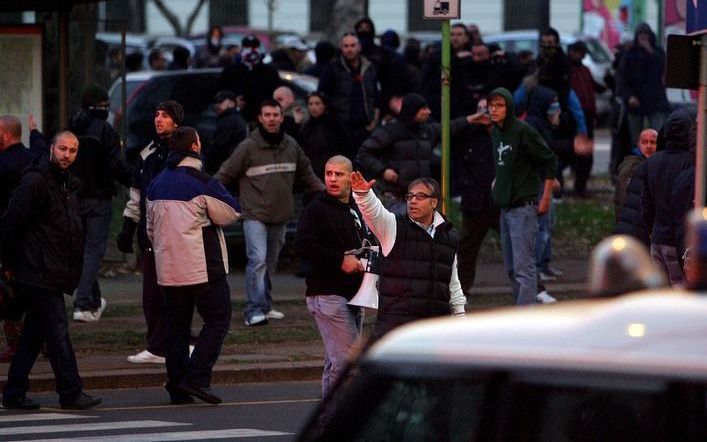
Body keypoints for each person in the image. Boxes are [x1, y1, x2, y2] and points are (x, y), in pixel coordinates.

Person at [1, 131, 101, 410]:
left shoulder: (68, 184)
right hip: (38, 270)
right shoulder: (35, 180)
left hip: (53, 270)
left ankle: (14, 392)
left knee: (34, 333)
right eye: (62, 149)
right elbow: (11, 222)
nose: (67, 155)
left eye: (72, 150)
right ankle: (70, 391)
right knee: (57, 331)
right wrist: (8, 264)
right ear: (51, 149)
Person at [146, 127, 240, 405]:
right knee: (218, 319)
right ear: (196, 147)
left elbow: (150, 229)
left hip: (168, 269)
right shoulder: (202, 182)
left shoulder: (156, 182)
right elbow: (231, 212)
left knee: (177, 326)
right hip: (202, 267)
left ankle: (176, 384)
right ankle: (197, 377)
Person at [216, 99, 324, 326]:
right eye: (268, 115)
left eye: (276, 114)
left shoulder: (291, 145)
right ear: (260, 118)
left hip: (280, 215)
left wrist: (328, 194)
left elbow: (307, 173)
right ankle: (253, 311)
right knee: (257, 260)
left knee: (268, 262)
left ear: (281, 117)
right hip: (254, 214)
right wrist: (209, 197)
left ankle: (265, 304)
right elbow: (224, 174)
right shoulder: (247, 147)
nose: (272, 119)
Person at [350, 174, 466, 340]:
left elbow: (452, 281)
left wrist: (460, 316)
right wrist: (363, 195)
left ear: (434, 202)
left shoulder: (449, 236)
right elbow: (375, 213)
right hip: (397, 329)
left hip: (436, 327)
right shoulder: (393, 226)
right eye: (410, 196)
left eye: (420, 196)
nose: (413, 201)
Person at [471, 88, 558, 305]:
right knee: (511, 267)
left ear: (509, 107)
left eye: (499, 105)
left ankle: (526, 317)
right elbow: (505, 163)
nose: (494, 109)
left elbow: (548, 159)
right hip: (505, 206)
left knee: (523, 267)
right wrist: (497, 181)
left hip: (523, 207)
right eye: (491, 105)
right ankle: (521, 307)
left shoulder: (522, 131)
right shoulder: (496, 132)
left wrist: (546, 195)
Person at [295, 155, 369, 397]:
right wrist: (340, 259)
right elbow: (303, 246)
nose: (333, 179)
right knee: (348, 363)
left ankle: (327, 421)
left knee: (336, 362)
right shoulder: (316, 209)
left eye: (339, 174)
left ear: (351, 177)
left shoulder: (355, 207)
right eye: (329, 174)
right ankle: (342, 419)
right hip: (328, 294)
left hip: (355, 294)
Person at [117, 100, 184, 364]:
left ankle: (171, 344)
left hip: (175, 235)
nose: (158, 119)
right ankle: (159, 343)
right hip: (150, 235)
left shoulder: (181, 153)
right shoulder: (148, 153)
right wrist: (128, 226)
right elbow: (137, 193)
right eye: (156, 114)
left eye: (165, 115)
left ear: (176, 122)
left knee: (174, 293)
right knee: (152, 294)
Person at [69, 84, 132, 323]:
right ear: (100, 106)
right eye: (106, 105)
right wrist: (136, 179)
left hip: (75, 198)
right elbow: (116, 166)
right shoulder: (104, 131)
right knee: (93, 251)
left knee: (83, 251)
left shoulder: (73, 127)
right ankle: (84, 303)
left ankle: (93, 300)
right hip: (98, 198)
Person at [357, 93, 474, 214]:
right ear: (413, 111)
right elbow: (364, 152)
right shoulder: (390, 131)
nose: (428, 112)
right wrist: (383, 170)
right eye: (423, 109)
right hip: (395, 197)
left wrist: (470, 119)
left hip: (419, 196)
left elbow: (449, 127)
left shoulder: (427, 131)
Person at [639, 108, 694, 287]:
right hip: (678, 243)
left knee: (661, 296)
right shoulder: (691, 163)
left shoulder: (652, 162)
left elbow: (646, 204)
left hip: (657, 239)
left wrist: (651, 231)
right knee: (681, 295)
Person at [0, 116, 38, 363]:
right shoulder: (33, 159)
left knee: (9, 294)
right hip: (35, 239)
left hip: (10, 238)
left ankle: (15, 343)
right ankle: (39, 340)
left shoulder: (3, 164)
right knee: (35, 293)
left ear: (5, 135)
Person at [452, 99, 499, 294]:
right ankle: (460, 290)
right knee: (466, 250)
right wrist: (470, 120)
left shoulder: (505, 134)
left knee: (518, 246)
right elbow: (447, 132)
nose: (486, 113)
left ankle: (534, 287)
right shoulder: (468, 134)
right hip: (475, 202)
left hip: (500, 202)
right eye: (482, 110)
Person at [318, 32, 380, 152]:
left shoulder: (369, 68)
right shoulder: (332, 68)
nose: (349, 49)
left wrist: (373, 124)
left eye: (352, 45)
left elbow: (376, 98)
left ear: (359, 47)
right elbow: (323, 97)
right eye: (346, 46)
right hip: (340, 130)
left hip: (365, 129)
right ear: (341, 48)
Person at [620, 23, 671, 147]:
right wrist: (629, 96)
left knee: (658, 134)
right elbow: (623, 79)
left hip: (655, 100)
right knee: (636, 139)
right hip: (636, 100)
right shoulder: (630, 54)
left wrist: (649, 49)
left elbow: (662, 66)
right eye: (640, 36)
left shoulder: (657, 51)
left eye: (645, 36)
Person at [220, 35, 282, 123]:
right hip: (236, 118)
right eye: (247, 47)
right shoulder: (230, 71)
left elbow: (276, 94)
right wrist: (232, 101)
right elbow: (220, 92)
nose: (250, 50)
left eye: (254, 47)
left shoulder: (269, 72)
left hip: (262, 120)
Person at [299, 91, 355, 179]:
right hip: (312, 173)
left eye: (317, 104)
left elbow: (346, 149)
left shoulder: (335, 125)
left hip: (333, 171)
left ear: (324, 105)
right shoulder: (306, 127)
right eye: (310, 104)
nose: (314, 107)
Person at [205, 90, 248, 175]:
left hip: (226, 167)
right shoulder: (233, 118)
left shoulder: (229, 120)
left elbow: (218, 146)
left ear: (231, 103)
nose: (216, 105)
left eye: (220, 102)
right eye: (216, 102)